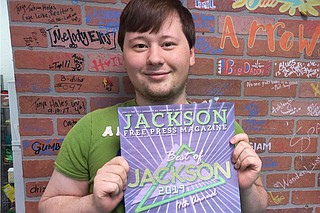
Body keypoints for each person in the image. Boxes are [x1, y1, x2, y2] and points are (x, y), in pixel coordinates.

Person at [38, 0, 268, 212]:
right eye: (139, 46)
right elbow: (47, 207)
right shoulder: (90, 128)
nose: (154, 58)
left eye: (168, 44)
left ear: (190, 54)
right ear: (123, 56)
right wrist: (94, 204)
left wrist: (246, 189)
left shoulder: (224, 132)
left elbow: (257, 208)